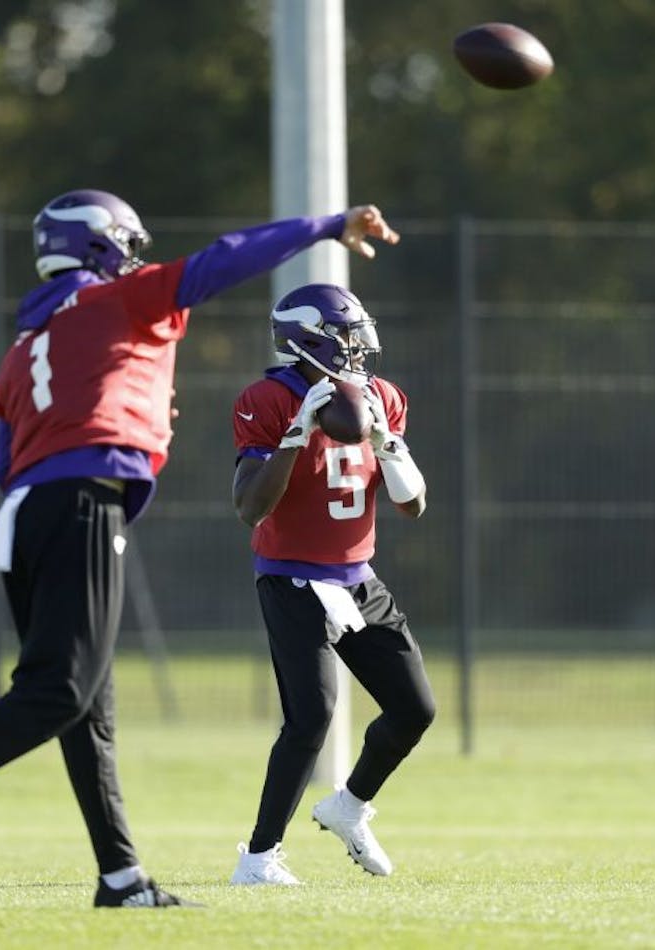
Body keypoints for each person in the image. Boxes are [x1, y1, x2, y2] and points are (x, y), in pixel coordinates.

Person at [0, 191, 400, 907]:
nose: (134, 261)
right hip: (82, 502)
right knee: (58, 693)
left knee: (91, 710)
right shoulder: (115, 305)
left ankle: (120, 878)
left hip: (25, 515)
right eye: (126, 247)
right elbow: (224, 259)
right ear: (100, 248)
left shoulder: (28, 341)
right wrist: (328, 227)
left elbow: (5, 454)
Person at [228, 283, 436, 886]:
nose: (356, 347)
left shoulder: (383, 397)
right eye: (343, 334)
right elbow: (250, 508)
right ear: (306, 337)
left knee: (414, 708)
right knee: (311, 717)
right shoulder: (265, 399)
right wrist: (294, 437)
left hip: (358, 577)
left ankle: (348, 808)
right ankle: (259, 858)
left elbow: (412, 505)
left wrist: (387, 445)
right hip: (292, 580)